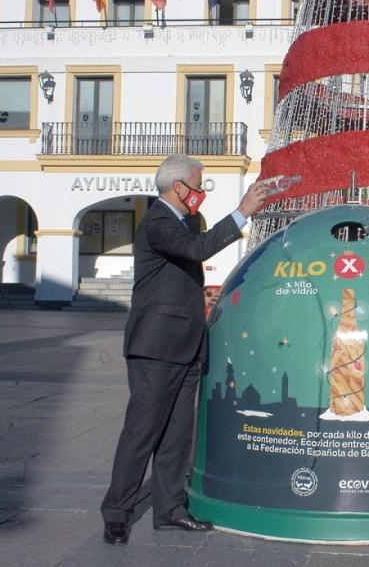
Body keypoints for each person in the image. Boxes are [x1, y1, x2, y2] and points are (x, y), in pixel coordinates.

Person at [100, 154, 278, 545]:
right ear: (177, 186)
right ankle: (116, 513)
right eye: (197, 184)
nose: (200, 191)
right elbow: (197, 250)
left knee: (178, 435)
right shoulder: (159, 220)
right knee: (142, 432)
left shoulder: (182, 221)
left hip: (185, 345)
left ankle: (170, 510)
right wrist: (242, 212)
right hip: (156, 345)